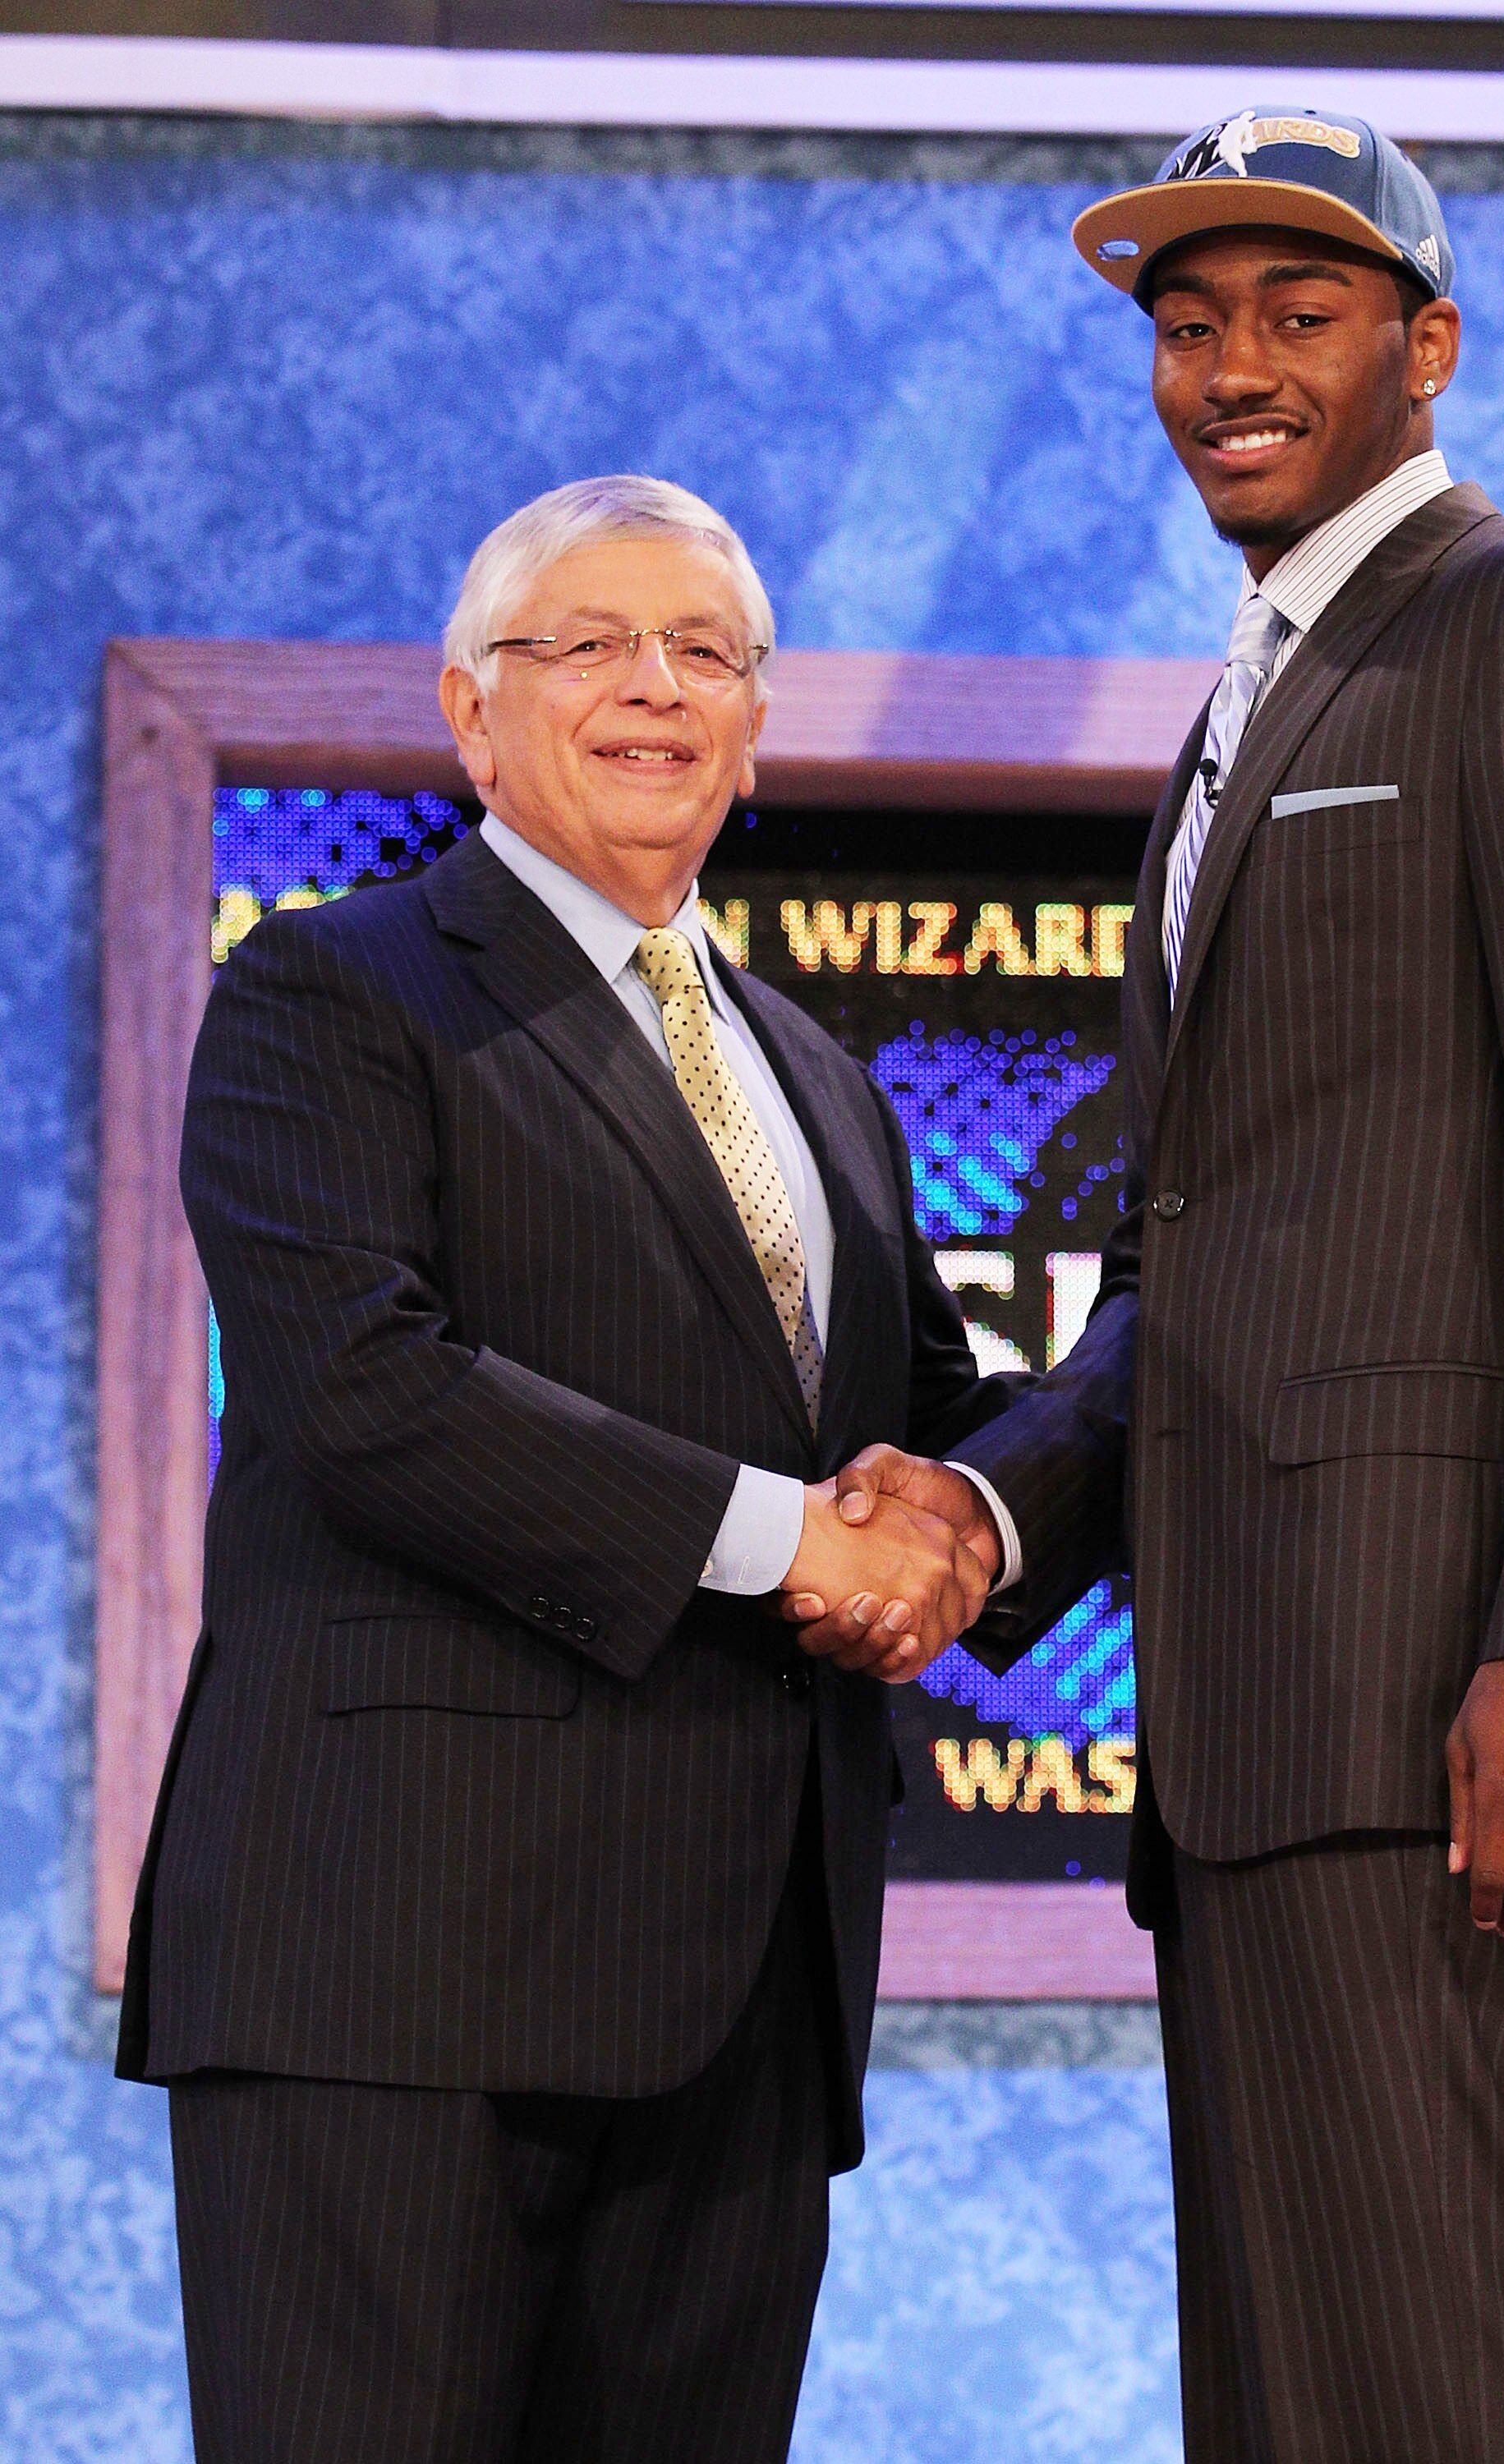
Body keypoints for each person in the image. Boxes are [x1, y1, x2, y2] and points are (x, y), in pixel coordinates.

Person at [796, 113, 1504, 2462]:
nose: (1232, 364)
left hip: (1429, 1718)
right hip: (1241, 1741)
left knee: (1441, 2389)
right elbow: (1192, 1271)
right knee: (1303, 2408)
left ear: (1422, 350)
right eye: (1185, 320)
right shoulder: (1237, 715)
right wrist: (996, 1512)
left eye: (1297, 314)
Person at [117, 475, 1016, 2464]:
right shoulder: (331, 992)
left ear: (756, 720)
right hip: (395, 1980)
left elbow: (927, 1440)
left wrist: (1009, 1497)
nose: (654, 686)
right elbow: (368, 1388)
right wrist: (800, 1543)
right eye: (591, 642)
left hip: (743, 2004)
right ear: (472, 709)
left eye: (707, 652)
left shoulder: (819, 1075)